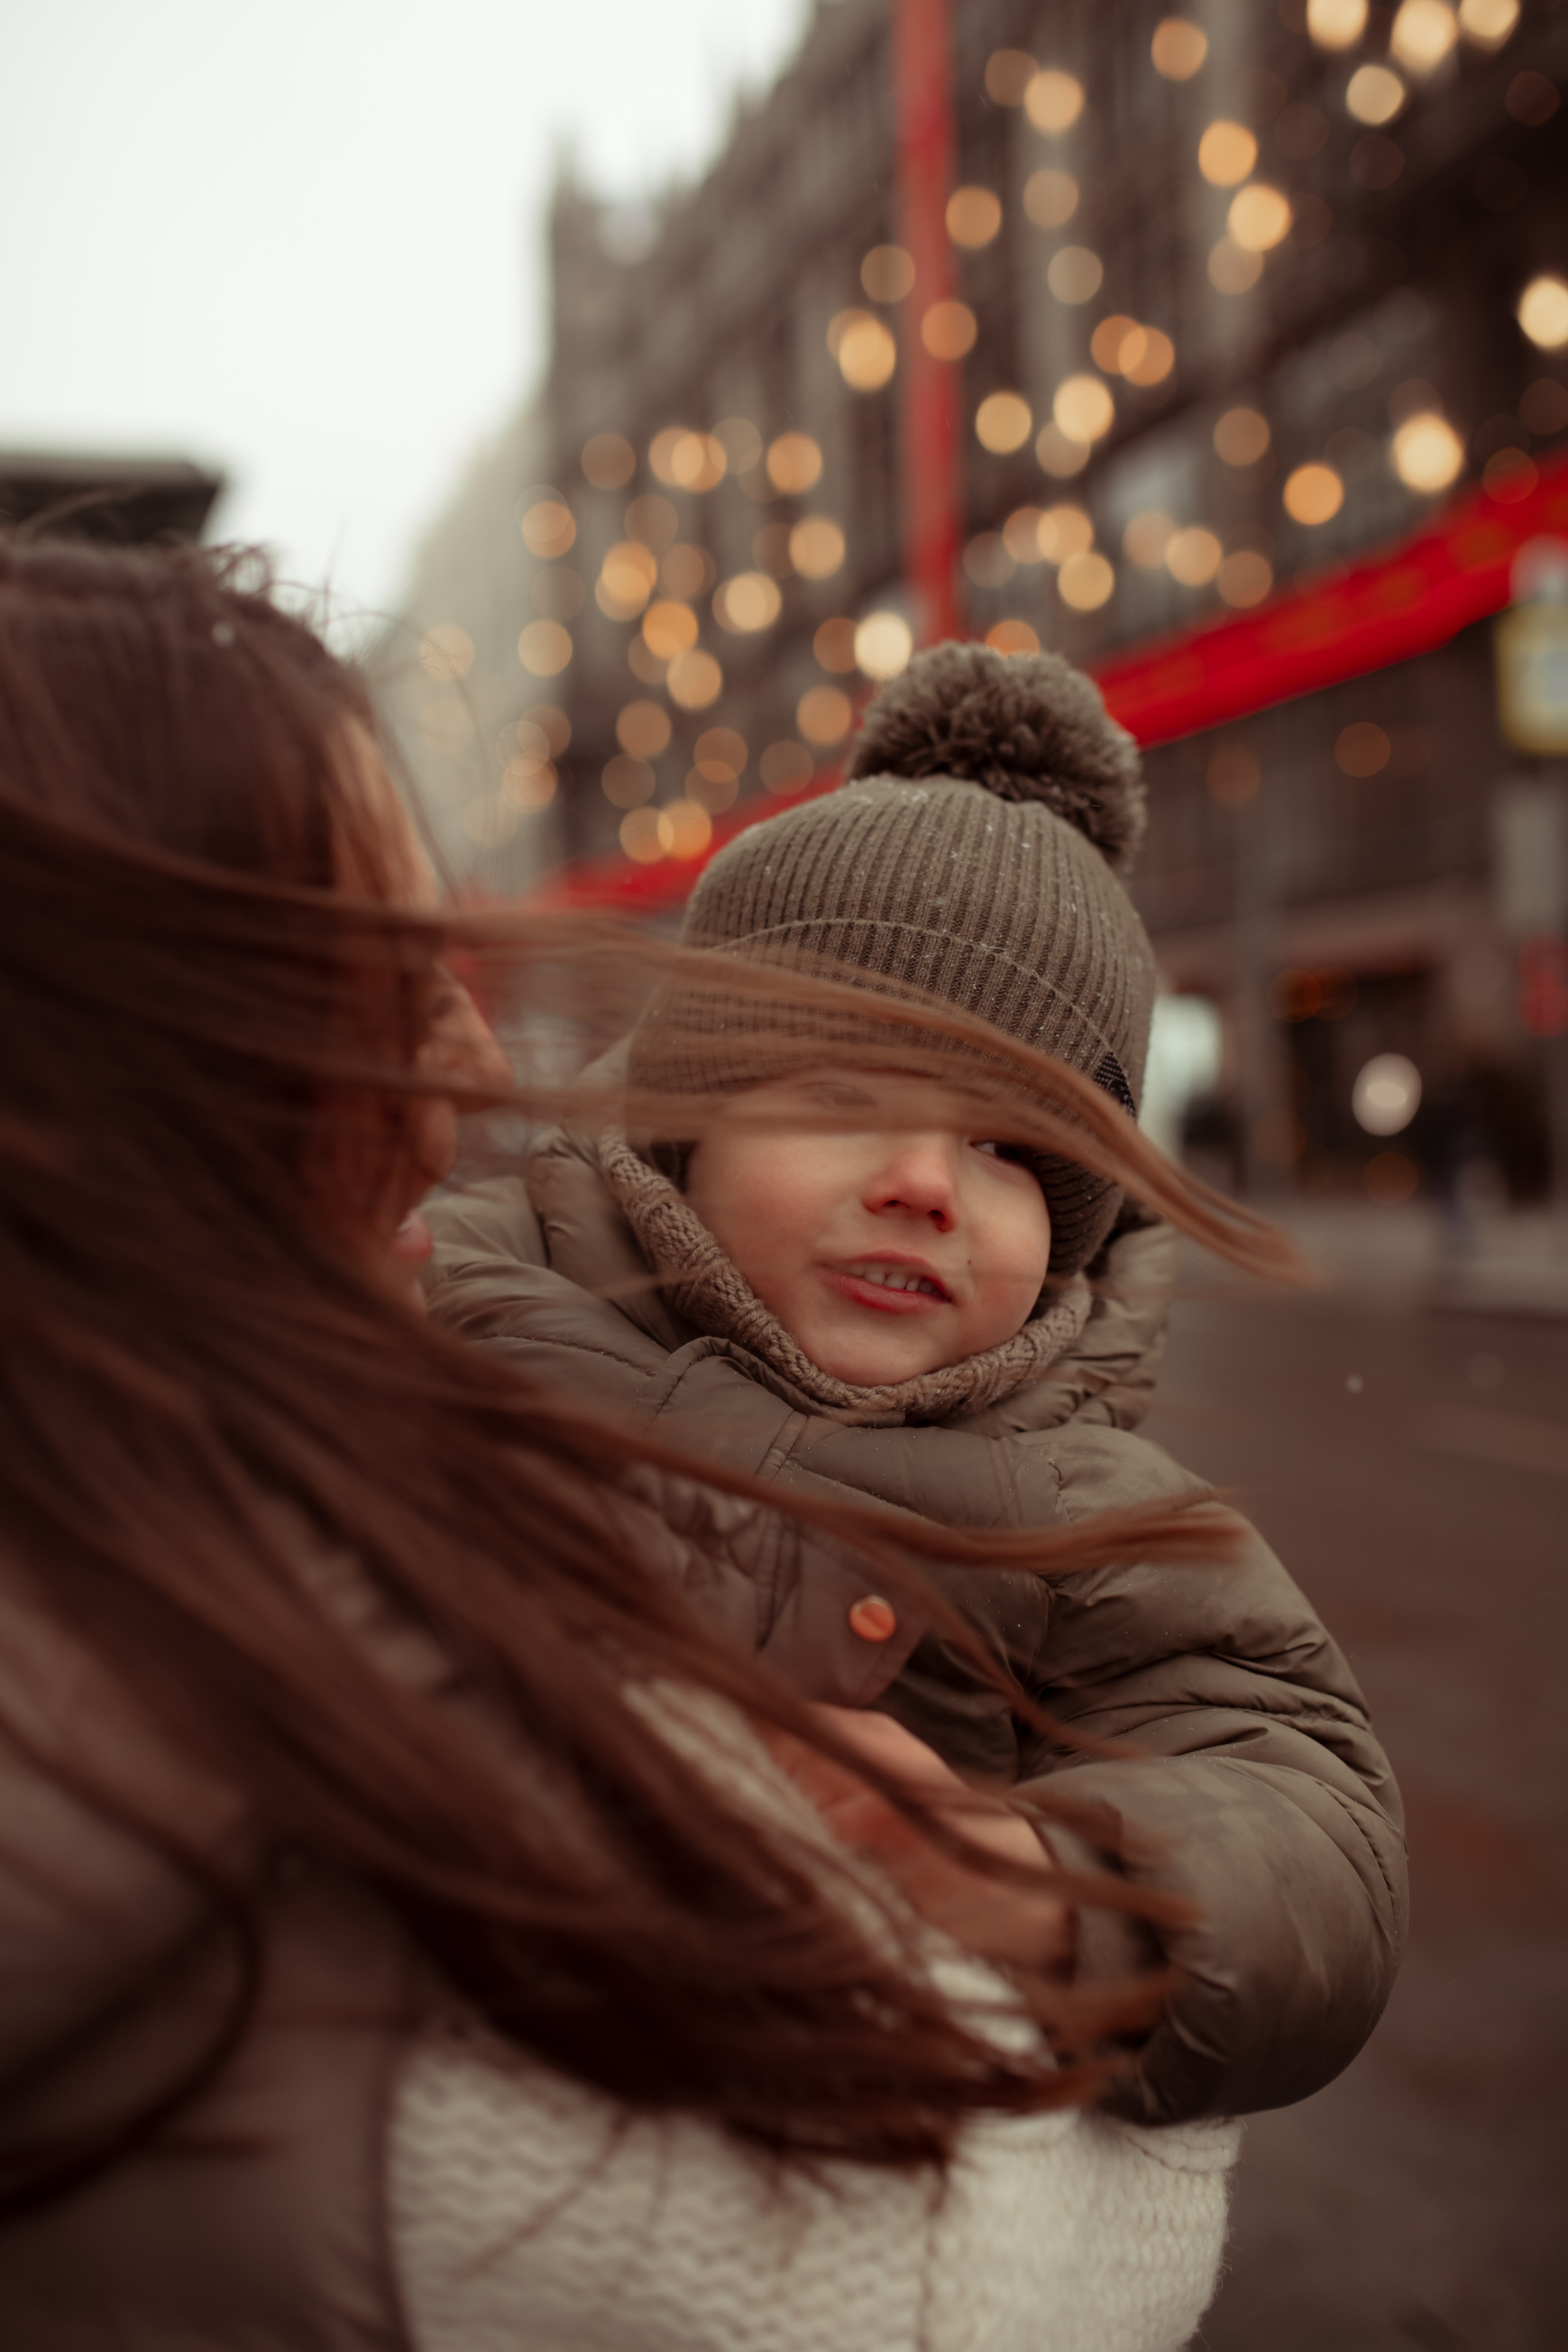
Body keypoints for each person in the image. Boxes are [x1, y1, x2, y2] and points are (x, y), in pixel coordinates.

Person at [0, 538, 1243, 2352]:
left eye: (1006, 1150)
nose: (462, 1067)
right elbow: (1062, 2258)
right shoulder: (367, 1596)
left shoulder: (1115, 1518)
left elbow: (1286, 1785)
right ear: (130, 1054)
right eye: (379, 967)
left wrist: (1081, 1891)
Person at [424, 642, 1409, 2127]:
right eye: (844, 1098)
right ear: (692, 1112)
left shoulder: (1083, 1516)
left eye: (1007, 1150)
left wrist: (1045, 1885)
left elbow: (1313, 1832)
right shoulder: (458, 1308)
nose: (921, 1185)